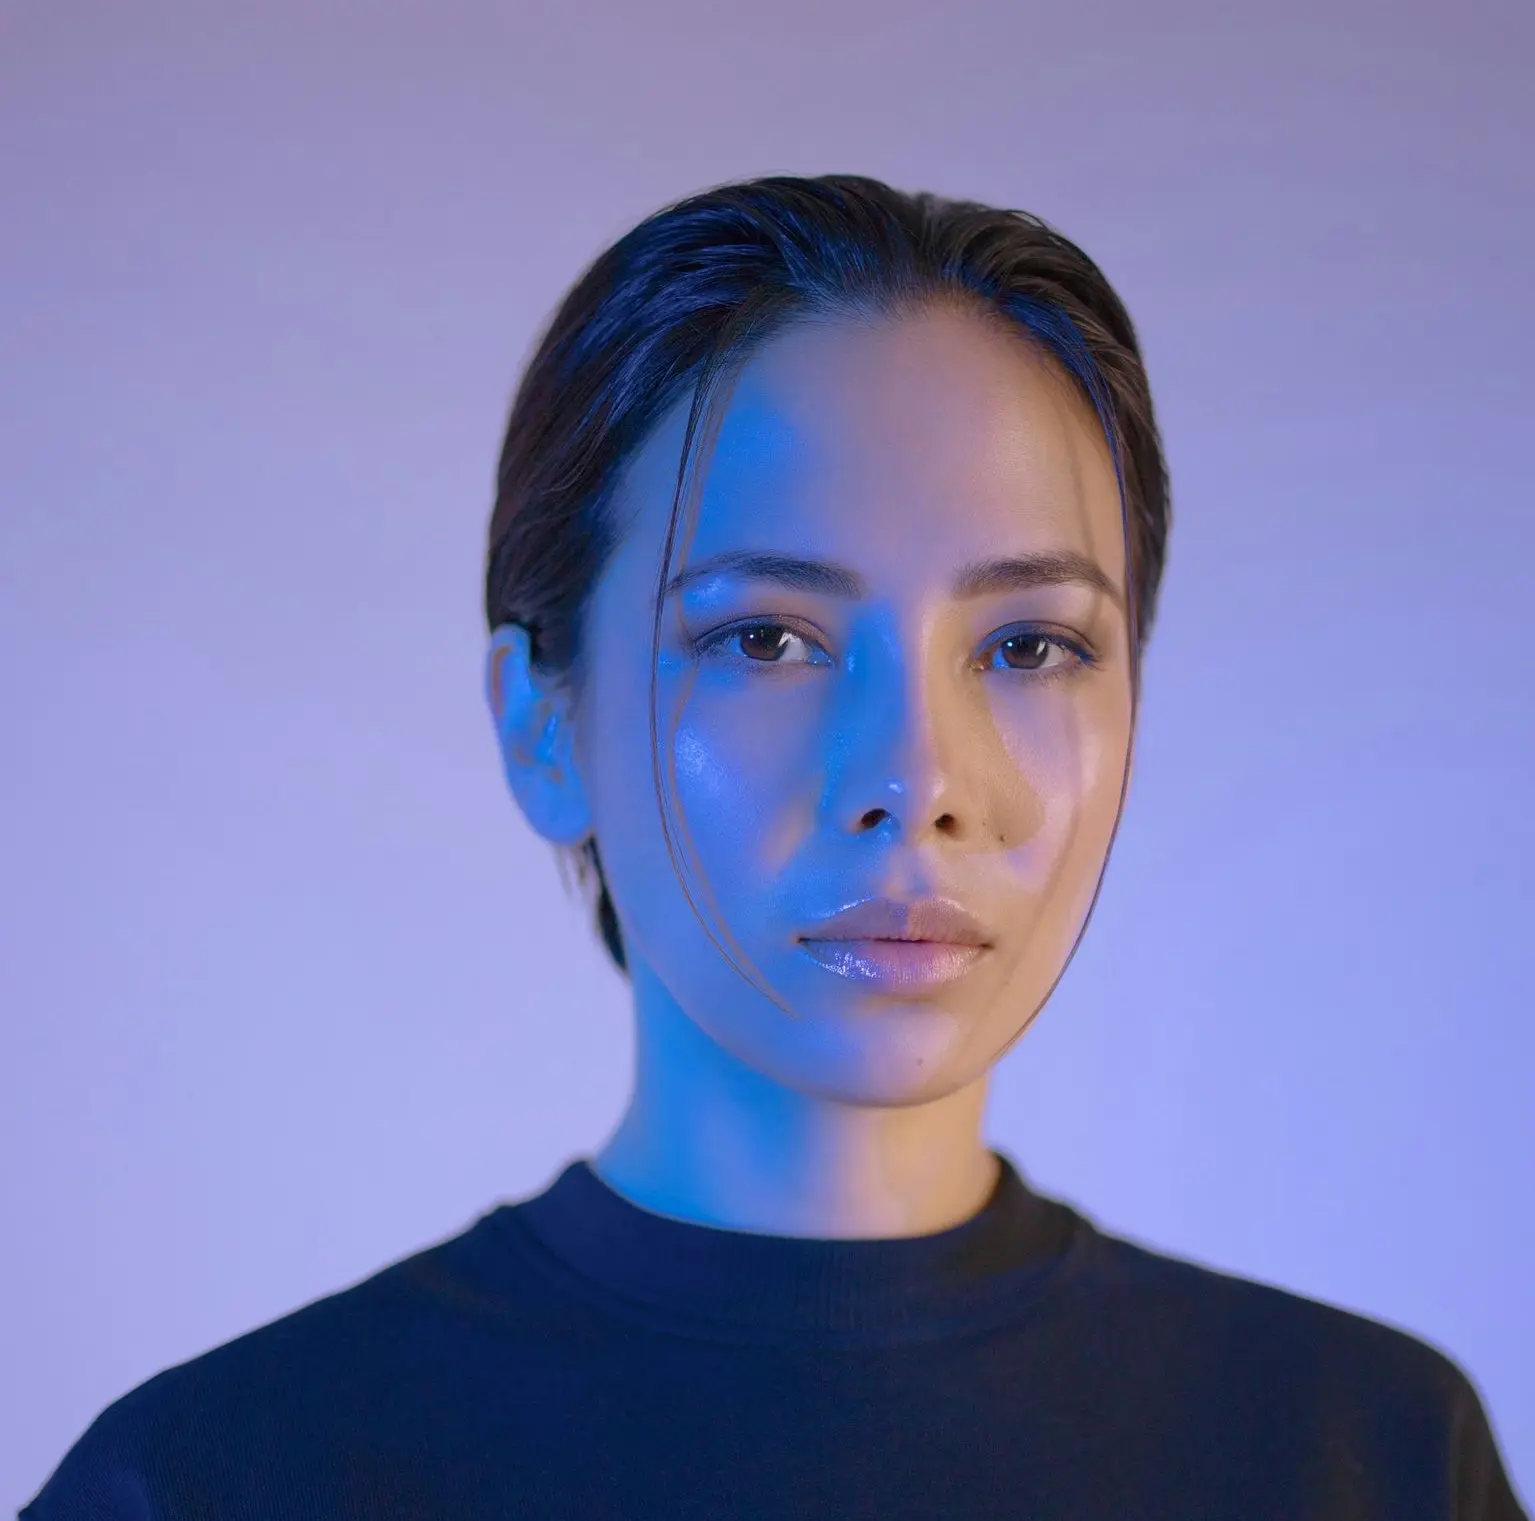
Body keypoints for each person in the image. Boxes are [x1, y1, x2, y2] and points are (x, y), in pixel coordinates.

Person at [21, 173, 1526, 1519]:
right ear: (547, 724)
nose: (919, 777)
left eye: (1028, 646)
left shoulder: (1365, 1456)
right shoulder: (221, 1483)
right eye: (767, 637)